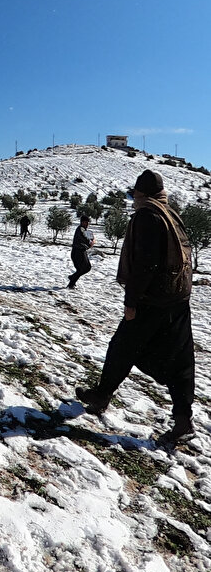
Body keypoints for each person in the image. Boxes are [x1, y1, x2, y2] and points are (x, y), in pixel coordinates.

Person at [76, 170, 195, 446]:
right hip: (178, 299)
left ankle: (102, 395)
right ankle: (182, 419)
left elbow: (146, 264)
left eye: (133, 195)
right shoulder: (170, 213)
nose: (132, 200)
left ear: (142, 194)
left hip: (152, 302)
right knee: (181, 361)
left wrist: (131, 302)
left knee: (122, 347)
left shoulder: (148, 215)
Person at [67, 216, 94, 288]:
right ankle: (71, 282)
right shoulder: (80, 230)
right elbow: (83, 239)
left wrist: (91, 241)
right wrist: (90, 242)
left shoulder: (84, 230)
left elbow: (89, 239)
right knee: (84, 268)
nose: (87, 224)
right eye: (85, 222)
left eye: (88, 222)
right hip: (78, 252)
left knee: (84, 269)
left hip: (81, 251)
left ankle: (72, 280)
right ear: (82, 222)